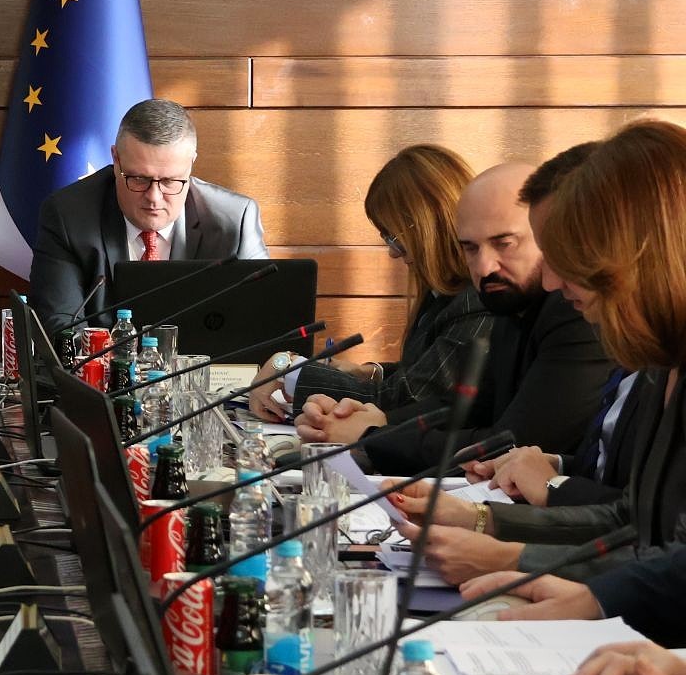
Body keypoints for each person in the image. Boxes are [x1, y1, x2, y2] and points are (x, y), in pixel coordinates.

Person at [411, 122, 686, 592]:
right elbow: (633, 523)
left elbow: (668, 558)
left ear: (637, 251)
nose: (552, 282)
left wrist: (515, 560)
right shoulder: (664, 362)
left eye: (567, 258)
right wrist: (484, 522)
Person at [295, 162, 613, 478]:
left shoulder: (575, 313)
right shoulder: (511, 302)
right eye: (471, 248)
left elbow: (512, 444)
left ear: (548, 235)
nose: (485, 267)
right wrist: (374, 421)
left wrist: (373, 436)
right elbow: (466, 407)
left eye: (504, 244)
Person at [250, 144, 493, 421]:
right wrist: (371, 372)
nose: (393, 253)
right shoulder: (446, 294)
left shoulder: (478, 301)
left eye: (394, 237)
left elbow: (408, 399)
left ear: (426, 226)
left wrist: (290, 370)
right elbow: (425, 373)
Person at [28, 98, 268, 340]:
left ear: (191, 164)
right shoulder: (68, 216)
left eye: (169, 181)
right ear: (116, 160)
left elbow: (260, 322)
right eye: (139, 179)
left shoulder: (235, 221)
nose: (154, 197)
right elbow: (62, 329)